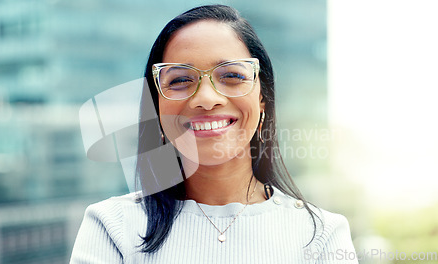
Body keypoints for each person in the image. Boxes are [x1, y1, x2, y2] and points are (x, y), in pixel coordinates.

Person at [70, 5, 357, 264]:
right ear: (155, 108)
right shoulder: (111, 227)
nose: (206, 99)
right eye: (181, 80)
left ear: (262, 99)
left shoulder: (321, 235)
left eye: (232, 76)